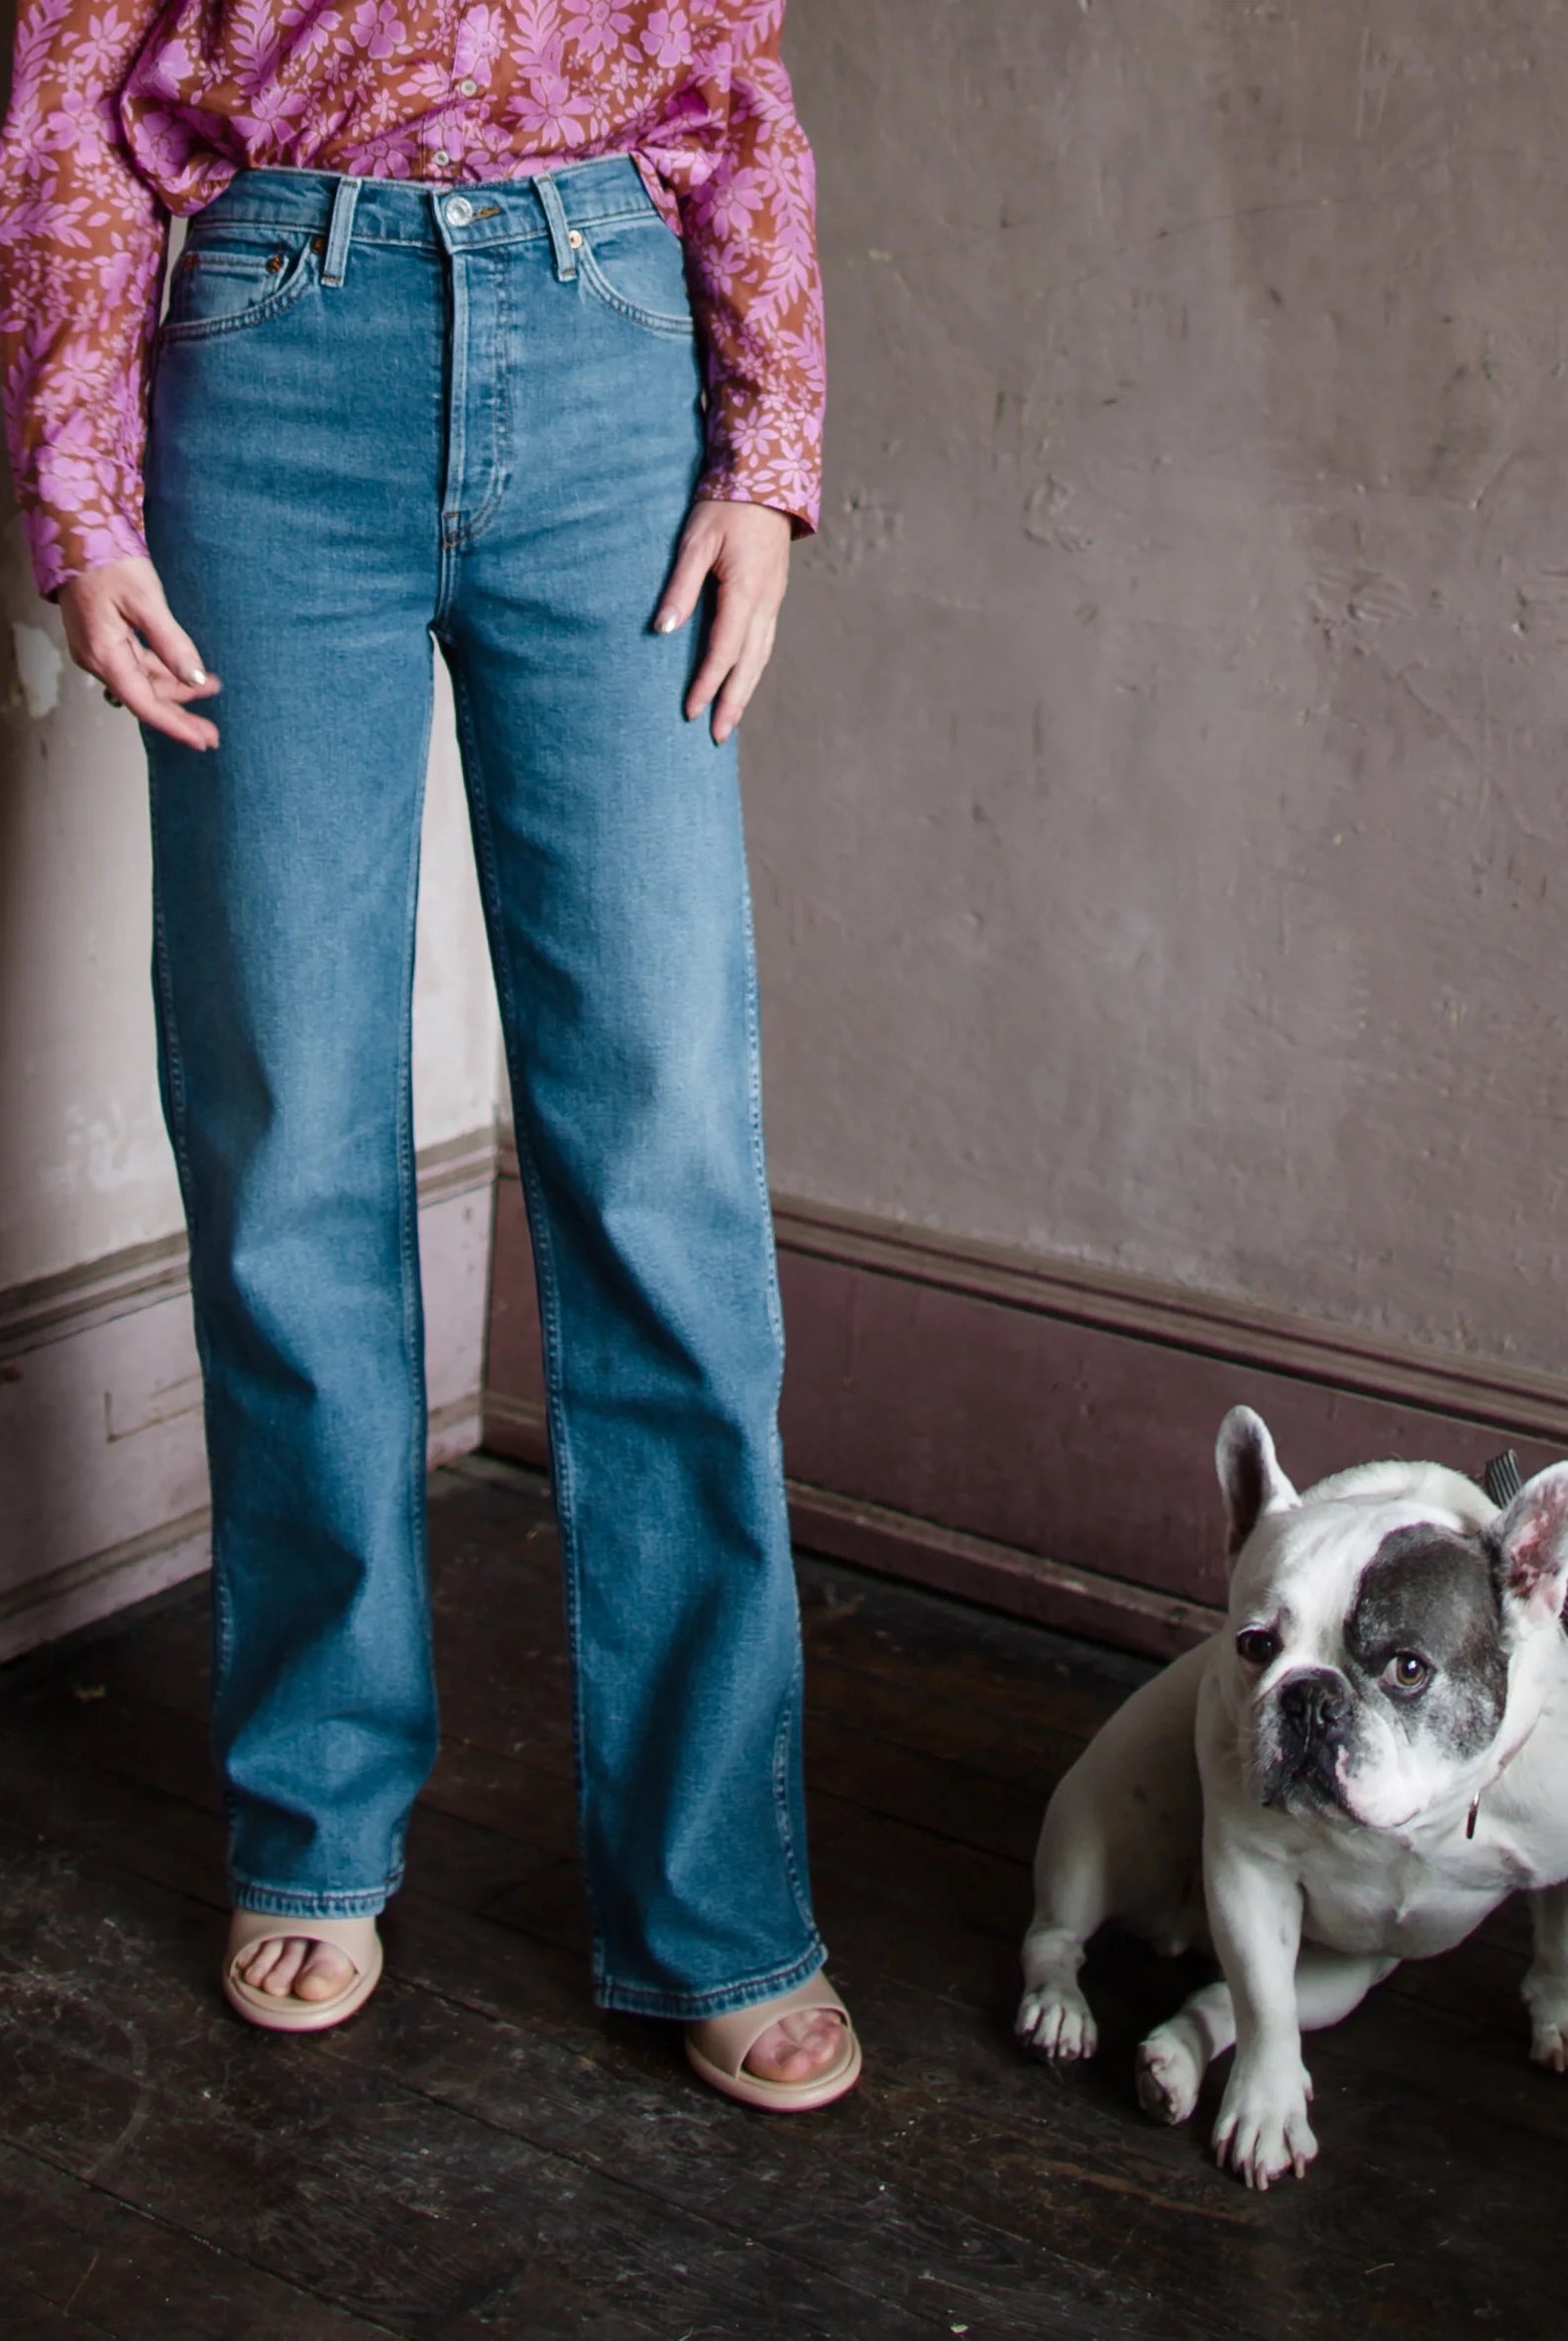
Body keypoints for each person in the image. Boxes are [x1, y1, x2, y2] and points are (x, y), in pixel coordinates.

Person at [0, 0, 859, 2111]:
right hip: (273, 348)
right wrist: (82, 492)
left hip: (603, 333)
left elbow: (734, 71)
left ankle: (716, 1895)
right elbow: (68, 84)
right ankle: (313, 1812)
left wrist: (764, 446)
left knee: (657, 1138)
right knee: (290, 1124)